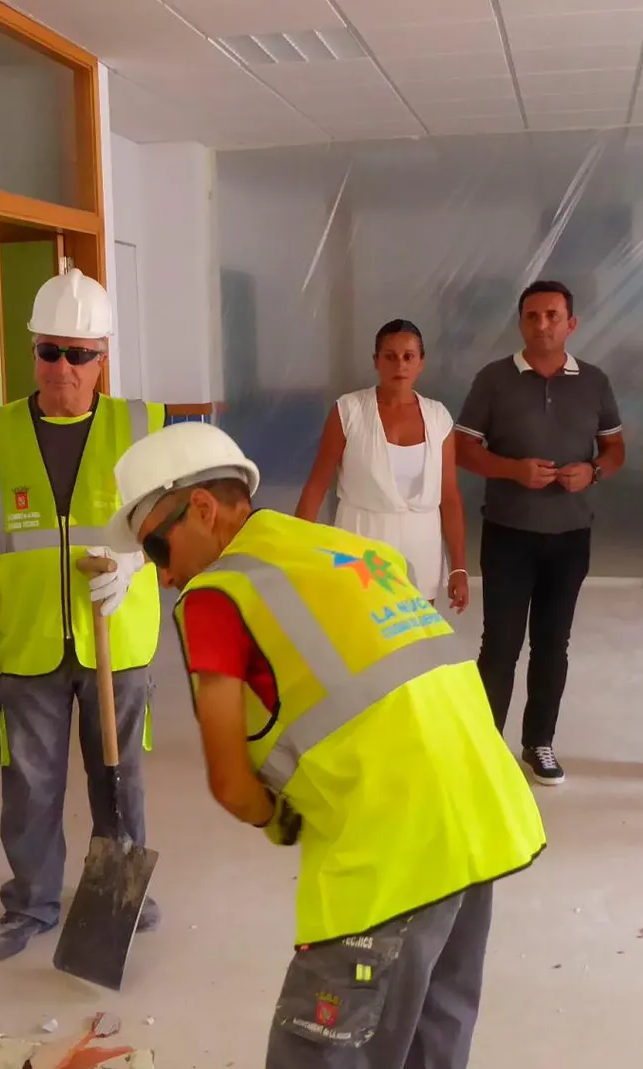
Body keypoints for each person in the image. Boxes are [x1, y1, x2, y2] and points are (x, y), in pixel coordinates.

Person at [105, 420, 546, 1069]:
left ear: (200, 508)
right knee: (433, 1030)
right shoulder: (340, 547)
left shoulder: (218, 595)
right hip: (482, 815)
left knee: (319, 1052)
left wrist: (275, 813)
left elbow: (230, 784)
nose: (161, 575)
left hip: (390, 851)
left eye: (156, 550)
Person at [0, 267, 167, 959]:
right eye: (50, 351)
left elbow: (178, 521)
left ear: (102, 356)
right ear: (32, 350)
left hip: (117, 641)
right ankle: (32, 904)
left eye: (79, 354)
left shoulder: (143, 428)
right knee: (30, 785)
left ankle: (118, 889)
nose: (63, 367)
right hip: (29, 639)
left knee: (118, 774)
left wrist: (137, 561)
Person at [453, 280, 625, 786]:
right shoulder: (493, 379)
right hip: (509, 531)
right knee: (500, 642)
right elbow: (463, 449)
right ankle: (485, 745)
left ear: (571, 323)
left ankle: (539, 743)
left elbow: (615, 451)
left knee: (554, 643)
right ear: (521, 324)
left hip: (571, 535)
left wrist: (592, 472)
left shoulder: (594, 382)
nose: (542, 324)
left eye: (553, 315)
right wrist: (512, 470)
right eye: (532, 316)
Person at [295, 318, 469, 611]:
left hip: (421, 549)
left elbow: (449, 497)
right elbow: (317, 485)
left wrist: (459, 568)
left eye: (408, 356)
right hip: (360, 547)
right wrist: (295, 553)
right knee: (359, 642)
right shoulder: (348, 411)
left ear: (421, 363)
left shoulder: (439, 418)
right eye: (390, 356)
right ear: (376, 361)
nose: (400, 364)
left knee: (413, 641)